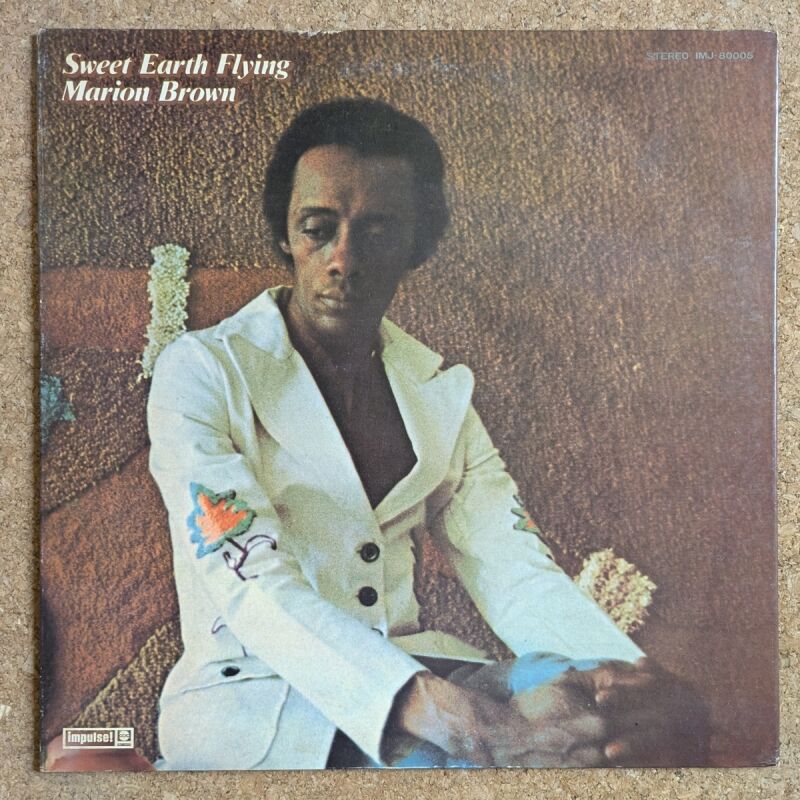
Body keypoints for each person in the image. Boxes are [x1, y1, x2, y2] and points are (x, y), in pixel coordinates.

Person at [144, 98, 709, 770]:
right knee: (462, 766)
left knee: (599, 709)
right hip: (253, 699)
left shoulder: (437, 389)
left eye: (378, 231)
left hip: (424, 668)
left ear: (417, 243)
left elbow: (511, 566)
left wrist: (629, 679)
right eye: (318, 229)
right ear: (285, 235)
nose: (343, 259)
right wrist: (472, 727)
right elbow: (250, 581)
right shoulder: (204, 370)